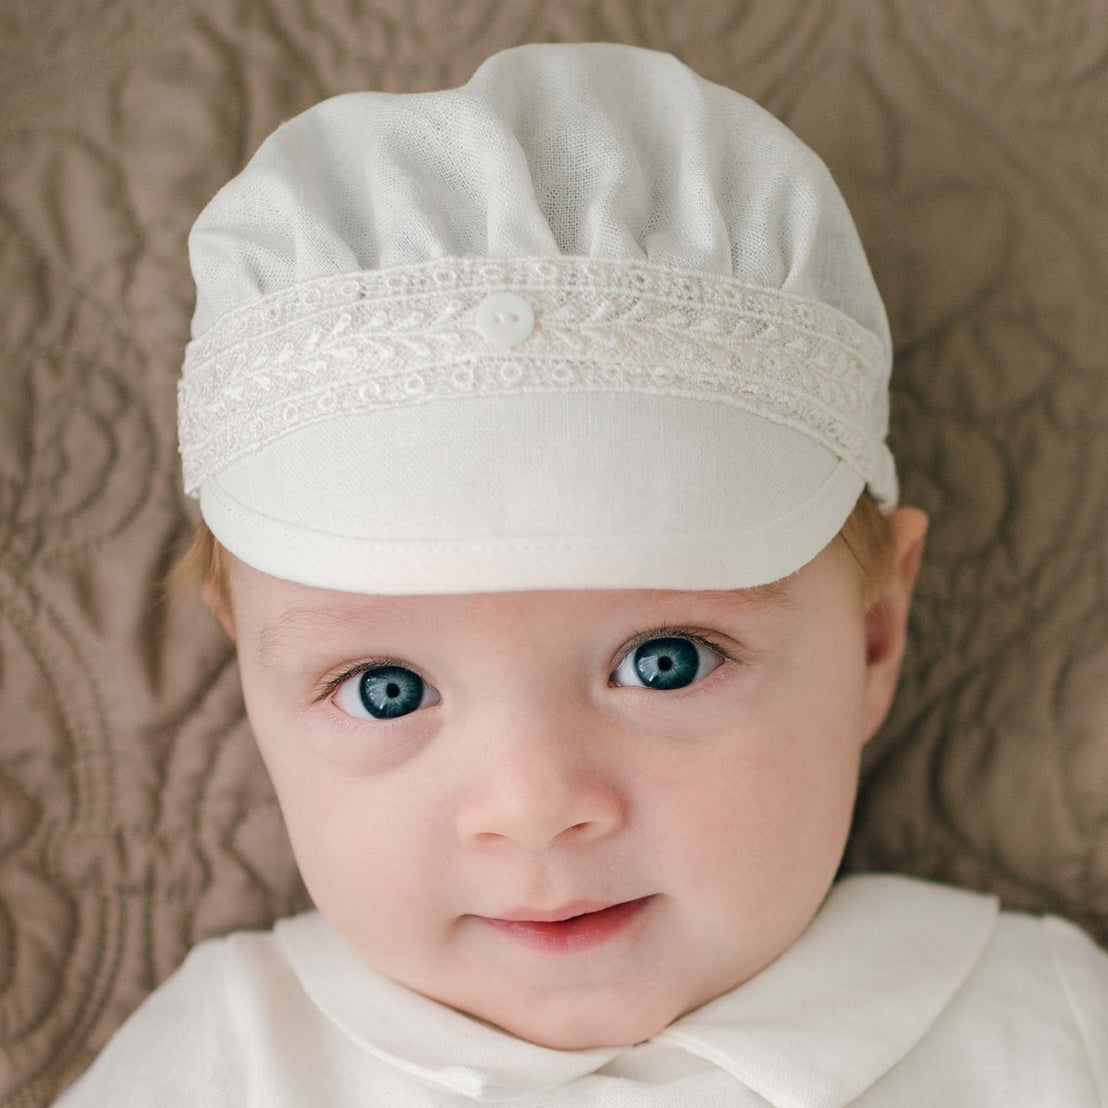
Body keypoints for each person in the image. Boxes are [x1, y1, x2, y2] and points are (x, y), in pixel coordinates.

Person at [54, 41, 1107, 1106]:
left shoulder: (1035, 1022)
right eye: (388, 688)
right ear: (250, 682)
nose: (534, 806)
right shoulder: (227, 1052)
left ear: (875, 634)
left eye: (665, 661)